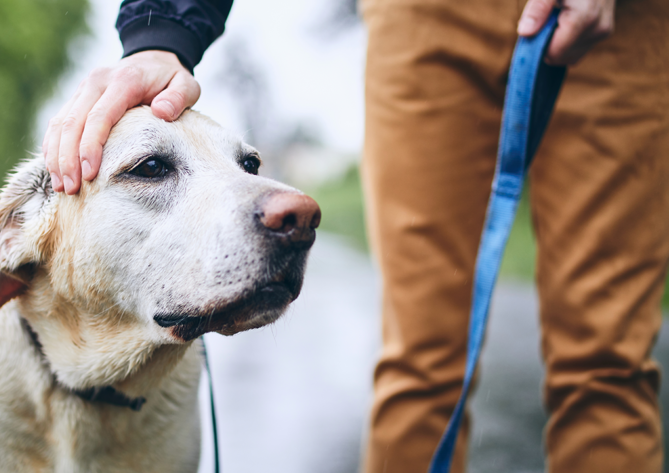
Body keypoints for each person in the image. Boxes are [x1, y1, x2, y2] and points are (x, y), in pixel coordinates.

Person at [42, 0, 669, 471]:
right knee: (423, 363)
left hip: (623, 24)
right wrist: (162, 31)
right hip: (424, 17)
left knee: (605, 366)